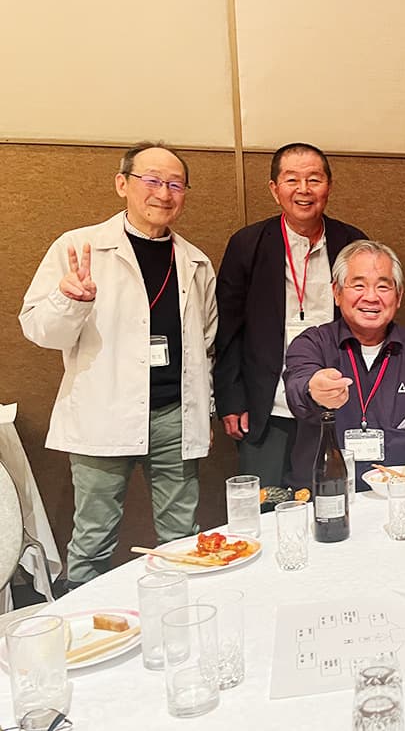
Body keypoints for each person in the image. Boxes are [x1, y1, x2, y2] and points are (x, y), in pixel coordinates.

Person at [19, 142, 216, 586]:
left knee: (182, 535)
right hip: (103, 413)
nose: (163, 193)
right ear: (122, 184)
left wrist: (205, 410)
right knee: (93, 537)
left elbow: (206, 344)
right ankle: (86, 622)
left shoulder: (195, 261)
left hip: (174, 417)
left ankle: (180, 613)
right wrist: (70, 300)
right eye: (152, 180)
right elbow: (39, 331)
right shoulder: (79, 247)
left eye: (175, 184)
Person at [214, 143, 366, 487]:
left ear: (328, 186)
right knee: (268, 503)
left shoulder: (352, 243)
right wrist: (232, 400)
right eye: (292, 179)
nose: (303, 189)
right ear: (274, 189)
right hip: (266, 404)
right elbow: (228, 331)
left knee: (334, 497)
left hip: (335, 401)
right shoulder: (247, 244)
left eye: (314, 179)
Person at [284, 240, 405, 488]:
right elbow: (298, 386)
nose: (371, 297)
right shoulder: (312, 344)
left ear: (399, 296)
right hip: (328, 495)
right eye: (359, 285)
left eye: (383, 286)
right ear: (337, 292)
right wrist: (313, 390)